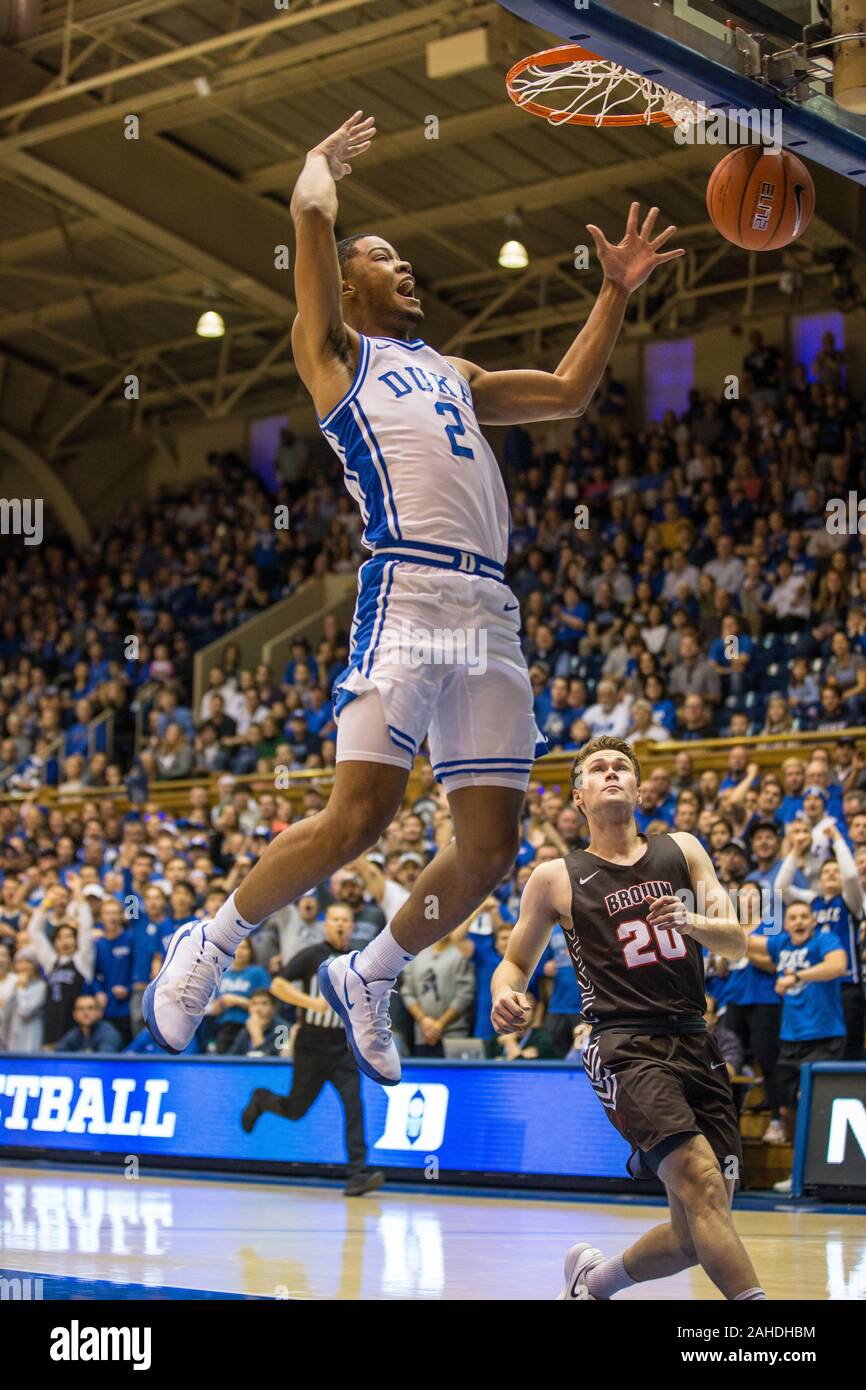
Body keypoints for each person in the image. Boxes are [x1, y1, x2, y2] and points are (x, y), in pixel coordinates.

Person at [143, 112, 684, 1080]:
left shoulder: (455, 372)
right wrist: (314, 165)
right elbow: (311, 226)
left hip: (489, 610)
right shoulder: (337, 355)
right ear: (348, 286)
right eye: (383, 259)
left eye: (404, 260)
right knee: (360, 815)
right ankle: (211, 941)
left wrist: (610, 290)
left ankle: (370, 973)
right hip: (408, 585)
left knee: (485, 848)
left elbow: (564, 389)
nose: (405, 269)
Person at [491, 735, 764, 1302]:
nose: (612, 773)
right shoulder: (555, 876)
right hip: (623, 1044)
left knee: (697, 1229)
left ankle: (595, 1281)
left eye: (622, 767)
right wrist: (505, 994)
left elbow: (737, 941)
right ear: (579, 796)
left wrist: (692, 922)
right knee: (702, 1184)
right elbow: (515, 963)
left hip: (696, 1039)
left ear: (638, 788)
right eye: (598, 768)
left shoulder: (683, 849)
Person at [240, 906, 384, 1197]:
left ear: (353, 925)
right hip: (311, 1046)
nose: (340, 924)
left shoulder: (359, 960)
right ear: (326, 925)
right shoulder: (312, 954)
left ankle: (357, 1173)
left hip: (343, 1048)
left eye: (345, 919)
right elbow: (277, 985)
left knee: (354, 1106)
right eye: (335, 919)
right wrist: (309, 1003)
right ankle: (261, 1099)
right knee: (295, 1109)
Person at [747, 901, 848, 1190]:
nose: (799, 921)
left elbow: (837, 965)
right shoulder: (782, 945)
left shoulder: (825, 940)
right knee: (788, 1109)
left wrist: (796, 976)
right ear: (787, 924)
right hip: (791, 1039)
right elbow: (748, 942)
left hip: (824, 1036)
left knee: (813, 1104)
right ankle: (799, 1170)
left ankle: (823, 1172)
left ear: (813, 921)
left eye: (805, 916)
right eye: (793, 917)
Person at [775, 822, 865, 1061]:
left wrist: (836, 838)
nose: (832, 874)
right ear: (819, 879)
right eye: (826, 872)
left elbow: (852, 874)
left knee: (850, 1048)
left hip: (846, 981)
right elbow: (781, 886)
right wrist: (795, 851)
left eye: (835, 871)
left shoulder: (851, 901)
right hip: (816, 981)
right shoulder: (812, 901)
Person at [55, 995, 123, 1054]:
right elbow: (58, 1054)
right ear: (74, 1015)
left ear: (100, 1013)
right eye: (80, 1009)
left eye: (90, 1008)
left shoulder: (109, 1034)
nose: (85, 1013)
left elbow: (102, 1063)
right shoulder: (75, 1033)